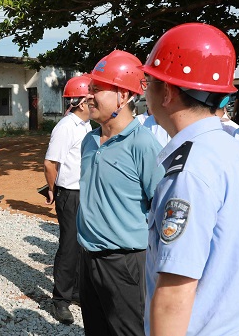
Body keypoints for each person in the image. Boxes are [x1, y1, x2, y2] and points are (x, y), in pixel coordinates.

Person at [141, 22, 239, 335]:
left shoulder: (190, 171)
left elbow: (175, 293)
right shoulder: (231, 148)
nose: (144, 92)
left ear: (169, 91)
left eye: (149, 82)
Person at [76, 50, 165, 336]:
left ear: (123, 96)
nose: (88, 96)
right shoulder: (89, 140)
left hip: (125, 262)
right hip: (88, 257)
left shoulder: (143, 145)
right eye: (90, 89)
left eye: (97, 89)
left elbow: (160, 206)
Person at [43, 74, 92, 324]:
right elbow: (51, 163)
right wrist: (53, 190)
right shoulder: (66, 127)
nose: (95, 101)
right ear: (82, 103)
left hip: (84, 192)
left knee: (82, 247)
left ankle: (74, 291)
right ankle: (60, 300)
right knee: (69, 247)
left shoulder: (86, 125)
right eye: (91, 97)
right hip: (69, 193)